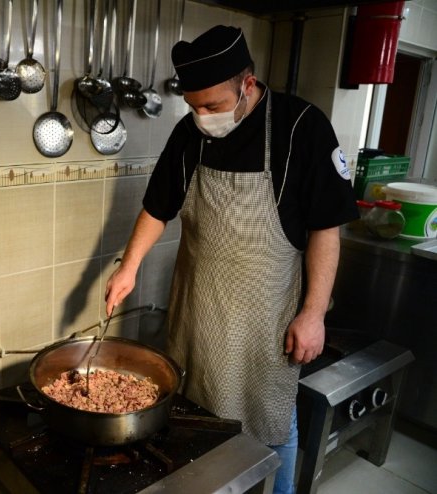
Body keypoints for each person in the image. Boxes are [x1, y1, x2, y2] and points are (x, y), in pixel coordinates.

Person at [104, 25, 358, 494]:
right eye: (193, 106)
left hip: (265, 319)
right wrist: (129, 266)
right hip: (197, 308)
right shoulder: (189, 133)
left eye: (213, 106)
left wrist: (314, 313)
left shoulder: (301, 126)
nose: (202, 116)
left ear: (247, 83)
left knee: (269, 421)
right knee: (192, 411)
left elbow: (327, 227)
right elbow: (159, 205)